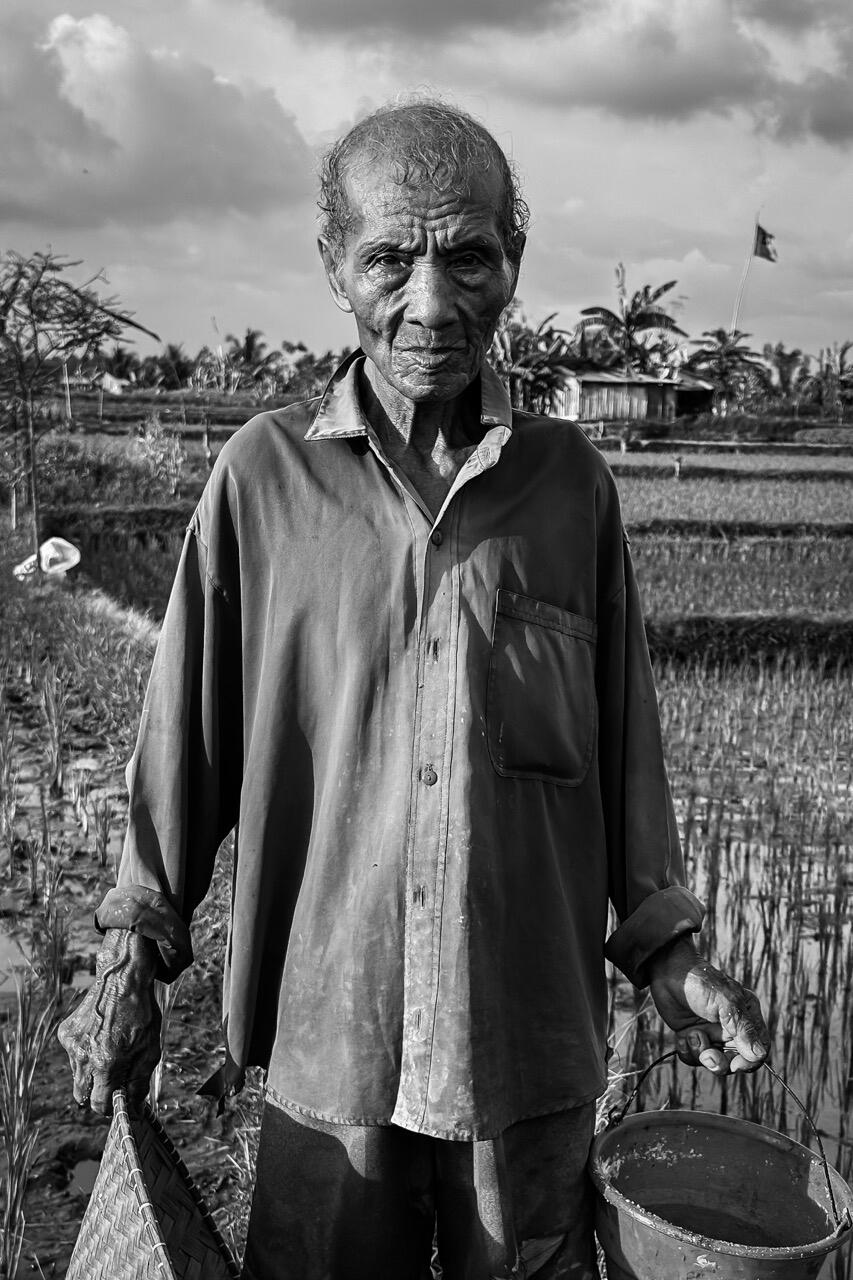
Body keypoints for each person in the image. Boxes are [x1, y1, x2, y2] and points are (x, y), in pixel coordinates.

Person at [59, 100, 769, 1279]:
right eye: (391, 257)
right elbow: (181, 752)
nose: (432, 302)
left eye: (468, 257)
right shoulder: (263, 480)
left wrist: (669, 952)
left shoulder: (568, 486)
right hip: (329, 1037)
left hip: (525, 1041)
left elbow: (623, 755)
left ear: (513, 260)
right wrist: (131, 952)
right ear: (333, 263)